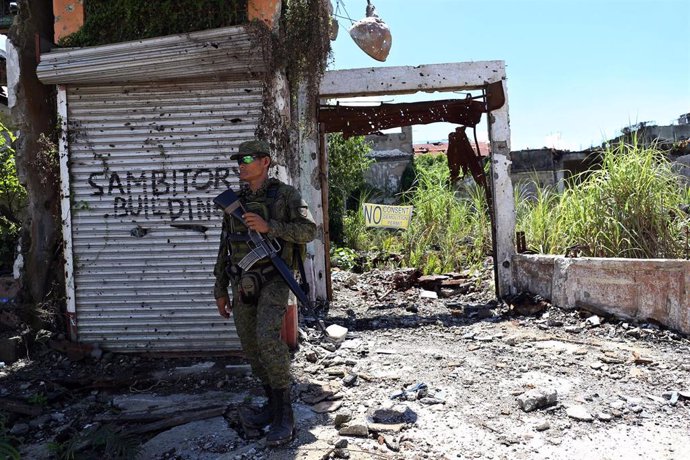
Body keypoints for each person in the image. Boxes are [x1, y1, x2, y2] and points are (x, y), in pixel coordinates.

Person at [213, 139, 316, 446]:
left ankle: (286, 416)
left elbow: (309, 231)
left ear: (265, 162)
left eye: (246, 158)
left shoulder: (285, 195)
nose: (240, 164)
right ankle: (271, 404)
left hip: (274, 279)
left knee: (268, 340)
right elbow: (225, 244)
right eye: (238, 160)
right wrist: (219, 286)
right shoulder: (234, 201)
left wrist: (270, 226)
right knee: (251, 346)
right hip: (242, 281)